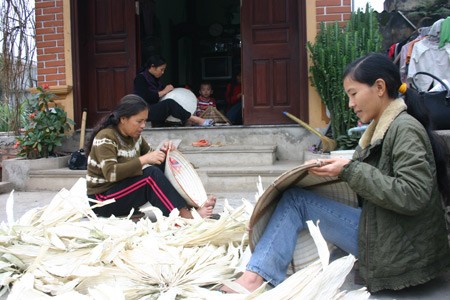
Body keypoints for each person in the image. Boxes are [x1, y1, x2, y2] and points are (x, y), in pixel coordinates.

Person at [221, 53, 450, 293]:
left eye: (353, 94)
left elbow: (413, 195)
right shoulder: (385, 127)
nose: (350, 104)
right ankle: (258, 275)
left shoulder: (404, 130)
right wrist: (342, 170)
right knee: (297, 197)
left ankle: (253, 280)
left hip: (399, 247)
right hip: (386, 228)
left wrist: (350, 170)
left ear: (379, 87)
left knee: (296, 201)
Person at [85, 94, 216, 219]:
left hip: (122, 192)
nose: (143, 125)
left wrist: (165, 153)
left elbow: (154, 157)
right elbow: (111, 173)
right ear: (123, 119)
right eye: (139, 121)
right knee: (150, 175)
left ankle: (192, 204)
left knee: (162, 163)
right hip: (102, 201)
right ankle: (184, 216)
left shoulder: (135, 137)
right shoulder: (106, 137)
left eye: (145, 121)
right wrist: (144, 159)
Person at [133, 54, 213, 127]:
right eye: (161, 69)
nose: (163, 72)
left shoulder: (155, 79)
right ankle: (196, 120)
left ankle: (187, 121)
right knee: (169, 103)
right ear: (153, 67)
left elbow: (163, 93)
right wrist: (164, 91)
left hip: (155, 109)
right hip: (144, 111)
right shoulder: (140, 78)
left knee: (172, 101)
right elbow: (145, 97)